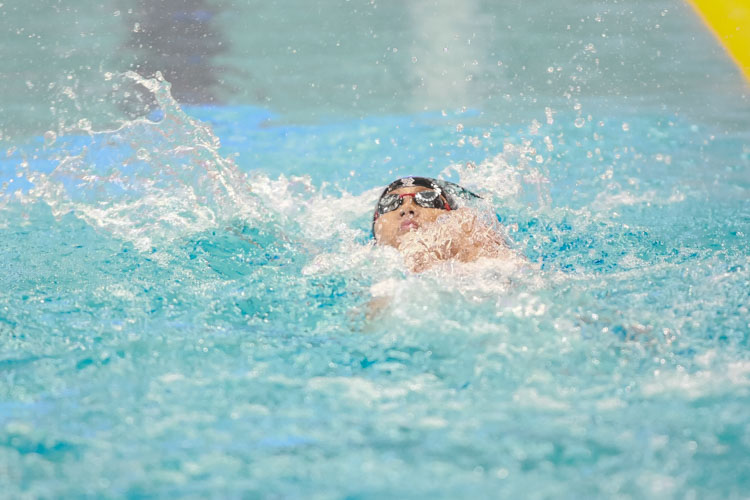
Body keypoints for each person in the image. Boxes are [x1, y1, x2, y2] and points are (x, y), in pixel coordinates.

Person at [371, 176, 515, 273]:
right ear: (376, 224)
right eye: (390, 203)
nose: (407, 208)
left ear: (452, 214)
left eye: (427, 198)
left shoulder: (481, 264)